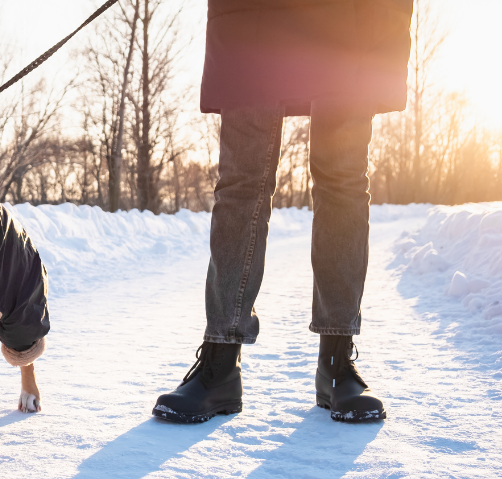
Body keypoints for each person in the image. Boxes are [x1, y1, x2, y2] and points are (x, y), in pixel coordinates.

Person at [153, 0, 414, 423]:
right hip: (251, 16)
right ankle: (220, 363)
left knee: (343, 180)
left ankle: (336, 361)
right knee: (240, 182)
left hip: (351, 17)